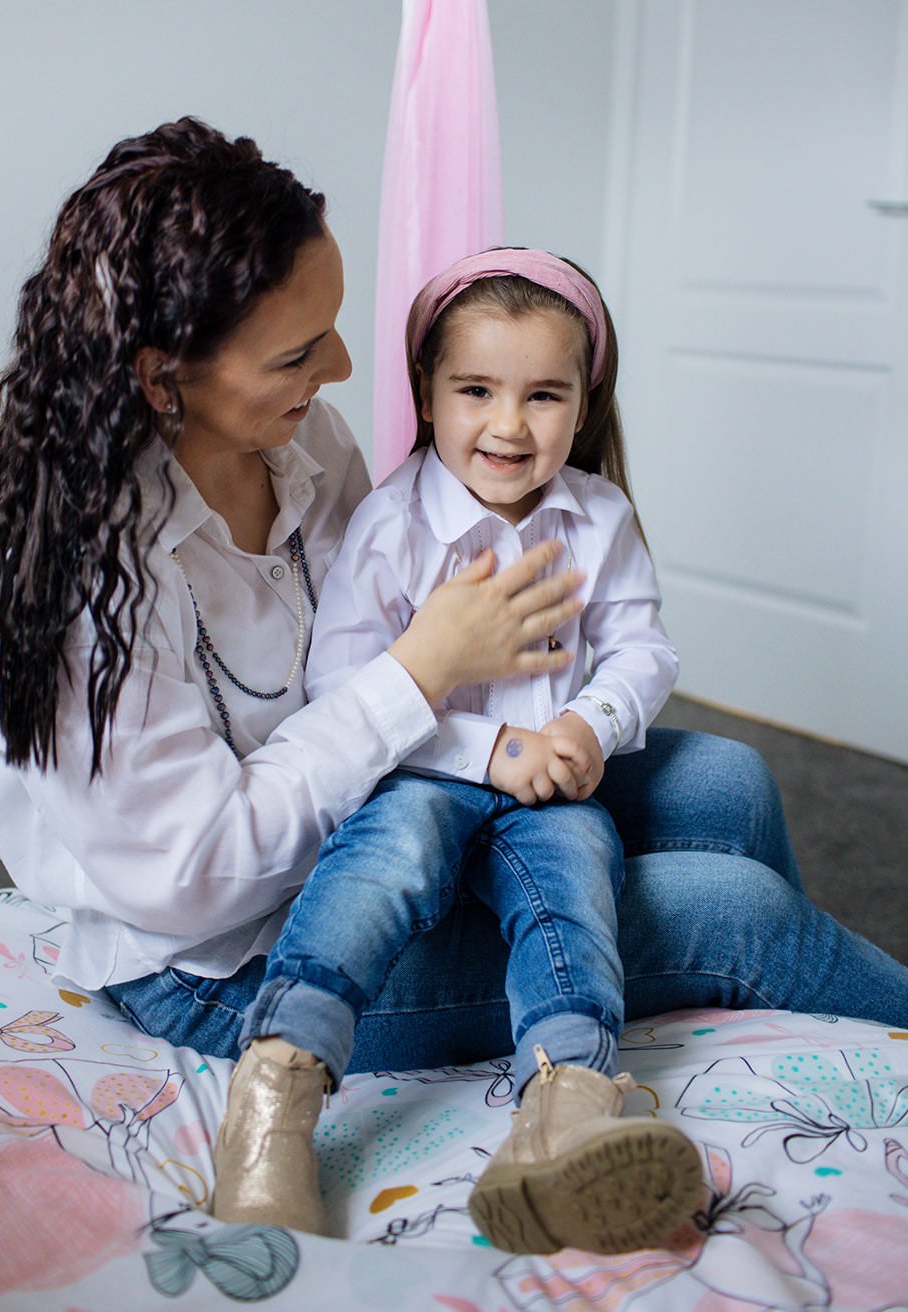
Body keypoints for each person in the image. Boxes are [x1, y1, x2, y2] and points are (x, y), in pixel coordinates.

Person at [0, 116, 908, 1251]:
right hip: (224, 944)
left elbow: (536, 643)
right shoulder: (81, 583)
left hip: (404, 794)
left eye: (332, 330)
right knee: (736, 912)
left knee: (728, 782)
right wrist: (427, 679)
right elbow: (201, 868)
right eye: (297, 354)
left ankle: (802, 1076)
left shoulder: (310, 454)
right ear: (160, 376)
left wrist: (553, 722)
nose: (341, 369)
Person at [211, 247, 704, 1255]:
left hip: (551, 790)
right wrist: (492, 746)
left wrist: (583, 725)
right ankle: (279, 1083)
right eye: (475, 389)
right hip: (425, 777)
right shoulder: (392, 524)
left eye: (542, 395)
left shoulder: (597, 520)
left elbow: (641, 650)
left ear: (582, 402)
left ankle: (563, 1102)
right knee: (382, 863)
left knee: (576, 882)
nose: (508, 425)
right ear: (427, 397)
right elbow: (344, 685)